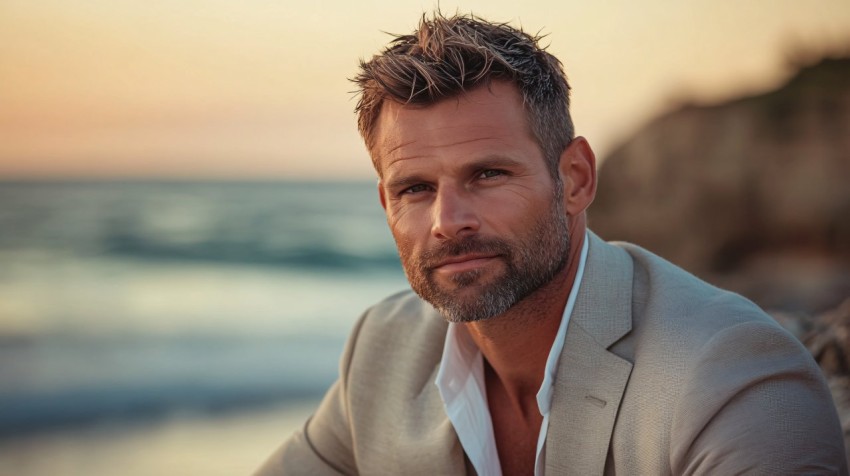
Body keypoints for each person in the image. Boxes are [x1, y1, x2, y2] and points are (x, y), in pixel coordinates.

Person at [256, 12, 846, 475]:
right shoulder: (381, 352)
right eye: (414, 188)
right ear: (386, 206)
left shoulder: (727, 373)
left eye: (488, 174)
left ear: (575, 180)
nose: (448, 221)